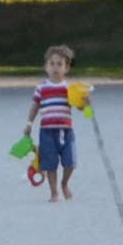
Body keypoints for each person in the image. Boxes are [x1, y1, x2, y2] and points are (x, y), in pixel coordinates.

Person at [27, 48, 80, 200]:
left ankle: (64, 183)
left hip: (66, 131)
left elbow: (80, 106)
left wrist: (85, 102)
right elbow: (35, 106)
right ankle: (54, 192)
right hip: (47, 132)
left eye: (59, 64)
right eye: (52, 64)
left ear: (67, 68)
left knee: (70, 163)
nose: (55, 67)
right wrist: (29, 123)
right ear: (46, 66)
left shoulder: (69, 88)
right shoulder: (41, 87)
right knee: (50, 164)